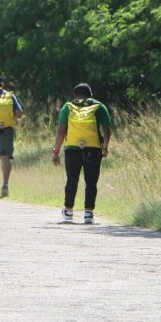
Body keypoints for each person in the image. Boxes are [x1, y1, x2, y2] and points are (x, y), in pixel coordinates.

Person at [52, 83, 112, 224]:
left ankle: (68, 210)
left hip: (72, 148)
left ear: (75, 95)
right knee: (91, 181)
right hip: (93, 148)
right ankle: (88, 213)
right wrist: (105, 147)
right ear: (90, 95)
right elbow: (107, 130)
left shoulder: (68, 107)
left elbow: (61, 131)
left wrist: (56, 151)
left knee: (71, 178)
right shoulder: (99, 107)